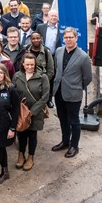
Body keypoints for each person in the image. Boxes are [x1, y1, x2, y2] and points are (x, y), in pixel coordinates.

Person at [52, 28, 93, 159]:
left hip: (73, 94)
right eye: (66, 37)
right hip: (59, 92)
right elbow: (57, 70)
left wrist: (77, 87)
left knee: (74, 121)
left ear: (76, 38)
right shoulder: (58, 51)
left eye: (71, 37)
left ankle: (74, 146)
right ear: (63, 39)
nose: (68, 40)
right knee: (62, 118)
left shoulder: (83, 56)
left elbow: (88, 78)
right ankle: (65, 141)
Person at [13, 54, 50, 171]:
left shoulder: (42, 77)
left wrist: (32, 112)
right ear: (23, 64)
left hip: (35, 112)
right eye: (27, 64)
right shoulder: (17, 76)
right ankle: (21, 154)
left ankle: (30, 157)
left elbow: (45, 97)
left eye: (32, 65)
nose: (29, 67)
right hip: (21, 112)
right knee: (21, 134)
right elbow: (13, 93)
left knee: (32, 135)